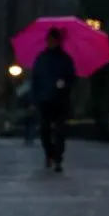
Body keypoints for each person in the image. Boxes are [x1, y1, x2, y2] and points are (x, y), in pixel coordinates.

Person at [31, 27, 77, 172]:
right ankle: (49, 153)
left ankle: (58, 158)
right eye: (49, 40)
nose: (51, 43)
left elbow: (73, 79)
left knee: (60, 131)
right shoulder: (41, 58)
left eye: (53, 40)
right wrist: (35, 98)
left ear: (58, 41)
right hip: (44, 100)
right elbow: (35, 79)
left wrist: (65, 83)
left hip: (61, 100)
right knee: (44, 130)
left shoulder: (65, 59)